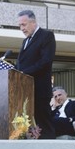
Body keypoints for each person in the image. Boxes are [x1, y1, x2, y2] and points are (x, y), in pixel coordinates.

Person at [15, 10, 56, 139]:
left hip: (39, 89)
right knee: (31, 126)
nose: (22, 28)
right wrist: (15, 71)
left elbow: (45, 61)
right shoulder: (25, 41)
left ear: (33, 22)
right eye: (20, 25)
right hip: (25, 90)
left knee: (43, 123)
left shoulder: (46, 36)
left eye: (24, 24)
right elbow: (21, 63)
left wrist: (23, 73)